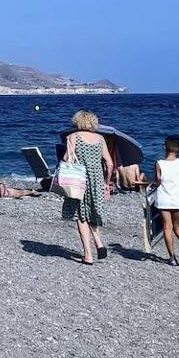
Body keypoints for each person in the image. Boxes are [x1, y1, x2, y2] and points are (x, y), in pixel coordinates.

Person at [62, 110, 113, 265]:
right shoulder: (100, 138)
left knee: (81, 215)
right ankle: (99, 242)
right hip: (97, 180)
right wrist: (106, 183)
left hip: (79, 180)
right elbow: (110, 164)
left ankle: (88, 255)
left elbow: (67, 159)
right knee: (92, 211)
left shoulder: (73, 137)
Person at [151, 136, 179, 265]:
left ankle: (172, 258)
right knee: (177, 225)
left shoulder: (159, 163)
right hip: (178, 198)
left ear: (164, 147)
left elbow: (158, 180)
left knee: (167, 227)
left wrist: (152, 186)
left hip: (164, 199)